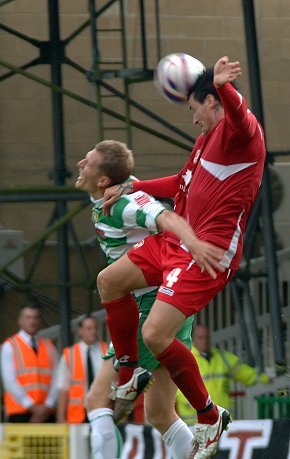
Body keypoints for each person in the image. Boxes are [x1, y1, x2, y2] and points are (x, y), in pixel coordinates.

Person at [97, 56, 266, 458]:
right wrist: (133, 185)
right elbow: (180, 182)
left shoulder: (243, 135)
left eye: (194, 110)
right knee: (109, 281)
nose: (193, 120)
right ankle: (127, 370)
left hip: (207, 251)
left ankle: (208, 416)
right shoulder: (205, 138)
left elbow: (241, 118)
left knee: (156, 334)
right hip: (178, 243)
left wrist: (224, 86)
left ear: (211, 103)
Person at [75, 140, 196, 459]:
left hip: (150, 309)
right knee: (161, 415)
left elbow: (159, 213)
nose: (79, 164)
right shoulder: (109, 198)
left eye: (87, 162)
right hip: (169, 306)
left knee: (97, 402)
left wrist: (194, 243)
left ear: (103, 180)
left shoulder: (126, 203)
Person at [176, 324, 271, 425]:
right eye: (201, 337)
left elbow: (246, 374)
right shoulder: (185, 360)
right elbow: (175, 389)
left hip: (222, 420)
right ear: (193, 339)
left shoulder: (223, 358)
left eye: (207, 337)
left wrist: (267, 380)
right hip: (196, 424)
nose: (205, 340)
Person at [0, 304, 58, 422]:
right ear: (20, 321)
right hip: (20, 412)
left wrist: (47, 405)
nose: (32, 321)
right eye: (28, 317)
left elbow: (57, 379)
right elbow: (10, 382)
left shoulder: (49, 346)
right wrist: (32, 407)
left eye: (35, 317)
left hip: (47, 413)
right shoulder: (10, 346)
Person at [56, 315, 107, 423]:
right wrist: (60, 417)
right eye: (89, 328)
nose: (93, 331)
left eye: (95, 328)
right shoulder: (69, 354)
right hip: (78, 414)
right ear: (80, 331)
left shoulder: (107, 350)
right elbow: (63, 388)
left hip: (102, 410)